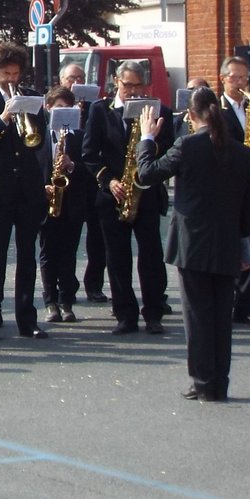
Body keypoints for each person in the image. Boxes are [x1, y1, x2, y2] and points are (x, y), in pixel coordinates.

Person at [135, 89, 250, 402]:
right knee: (220, 317)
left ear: (191, 116)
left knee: (197, 316)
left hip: (192, 243)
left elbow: (147, 174)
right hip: (228, 242)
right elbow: (248, 208)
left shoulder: (187, 145)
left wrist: (147, 138)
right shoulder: (243, 152)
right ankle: (220, 383)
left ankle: (203, 382)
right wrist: (247, 249)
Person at [82, 61, 173, 335]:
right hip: (113, 195)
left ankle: (154, 312)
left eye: (137, 85)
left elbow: (168, 153)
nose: (132, 91)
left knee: (151, 255)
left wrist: (153, 138)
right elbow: (89, 155)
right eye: (127, 85)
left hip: (145, 193)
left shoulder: (158, 111)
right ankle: (125, 315)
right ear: (115, 82)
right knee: (117, 257)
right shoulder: (100, 111)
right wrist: (108, 181)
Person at [0, 44, 49, 342]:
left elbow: (37, 141)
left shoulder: (30, 98)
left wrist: (29, 118)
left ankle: (28, 320)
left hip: (27, 188)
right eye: (6, 74)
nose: (12, 79)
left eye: (16, 73)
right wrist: (3, 119)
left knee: (27, 257)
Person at [216, 56, 250, 326]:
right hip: (229, 186)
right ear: (223, 78)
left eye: (244, 78)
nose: (240, 83)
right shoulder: (216, 110)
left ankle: (246, 304)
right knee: (230, 246)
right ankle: (229, 301)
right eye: (235, 78)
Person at [38, 85, 91, 324]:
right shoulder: (39, 136)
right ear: (48, 108)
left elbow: (89, 168)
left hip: (73, 202)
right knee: (48, 252)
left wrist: (72, 165)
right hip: (47, 200)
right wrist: (43, 187)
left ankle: (67, 301)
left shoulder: (78, 136)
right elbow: (32, 168)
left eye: (67, 109)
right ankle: (50, 301)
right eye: (58, 108)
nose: (62, 112)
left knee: (69, 253)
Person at [62, 63, 107, 303]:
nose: (76, 82)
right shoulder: (58, 106)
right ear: (62, 80)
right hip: (68, 185)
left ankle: (94, 284)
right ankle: (66, 287)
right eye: (71, 78)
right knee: (68, 240)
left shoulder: (94, 109)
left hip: (92, 180)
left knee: (98, 238)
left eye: (80, 78)